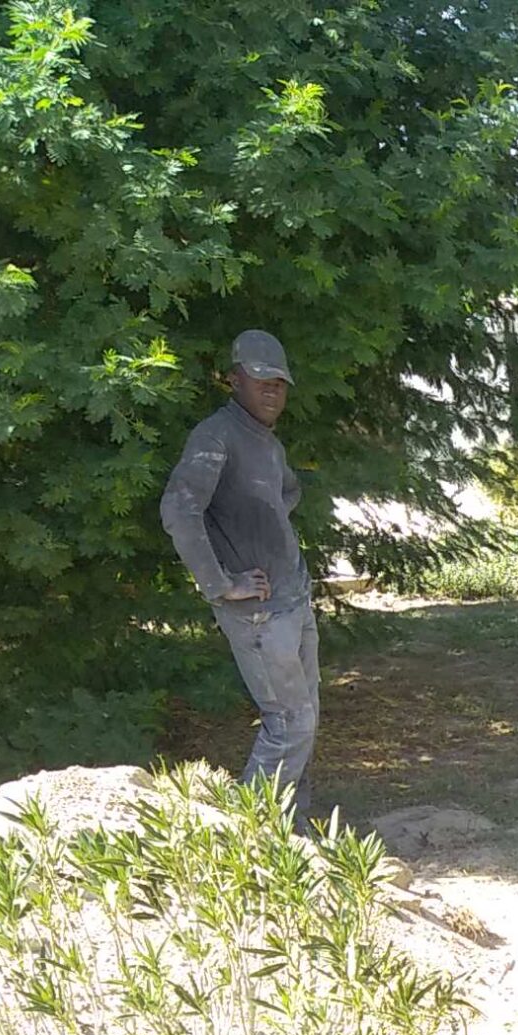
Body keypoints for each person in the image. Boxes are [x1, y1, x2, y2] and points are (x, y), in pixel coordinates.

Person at [160, 329, 322, 831]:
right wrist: (222, 582)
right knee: (288, 724)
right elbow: (178, 510)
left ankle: (293, 835)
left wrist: (271, 545)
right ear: (234, 380)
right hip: (258, 614)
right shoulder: (216, 436)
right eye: (260, 380)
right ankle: (246, 838)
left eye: (279, 382)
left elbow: (284, 497)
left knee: (304, 721)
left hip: (293, 600)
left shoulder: (265, 442)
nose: (272, 390)